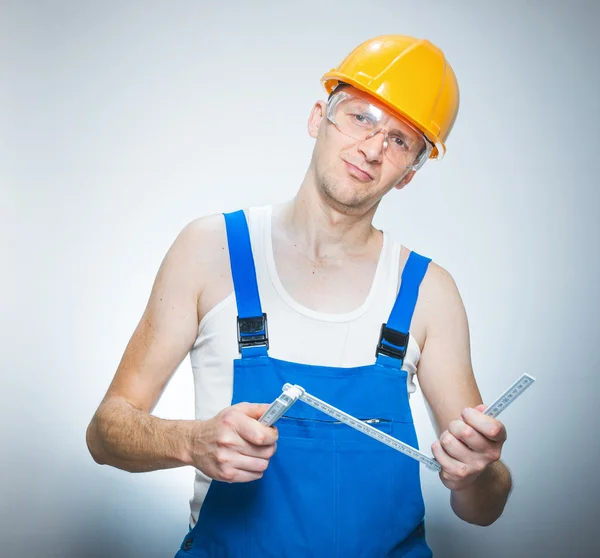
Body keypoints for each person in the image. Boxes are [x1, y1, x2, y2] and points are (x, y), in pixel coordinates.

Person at [86, 35, 512, 557]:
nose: (374, 149)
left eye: (401, 140)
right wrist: (191, 441)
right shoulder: (210, 250)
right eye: (361, 118)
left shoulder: (427, 293)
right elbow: (106, 432)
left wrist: (478, 474)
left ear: (411, 173)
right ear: (318, 117)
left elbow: (484, 508)